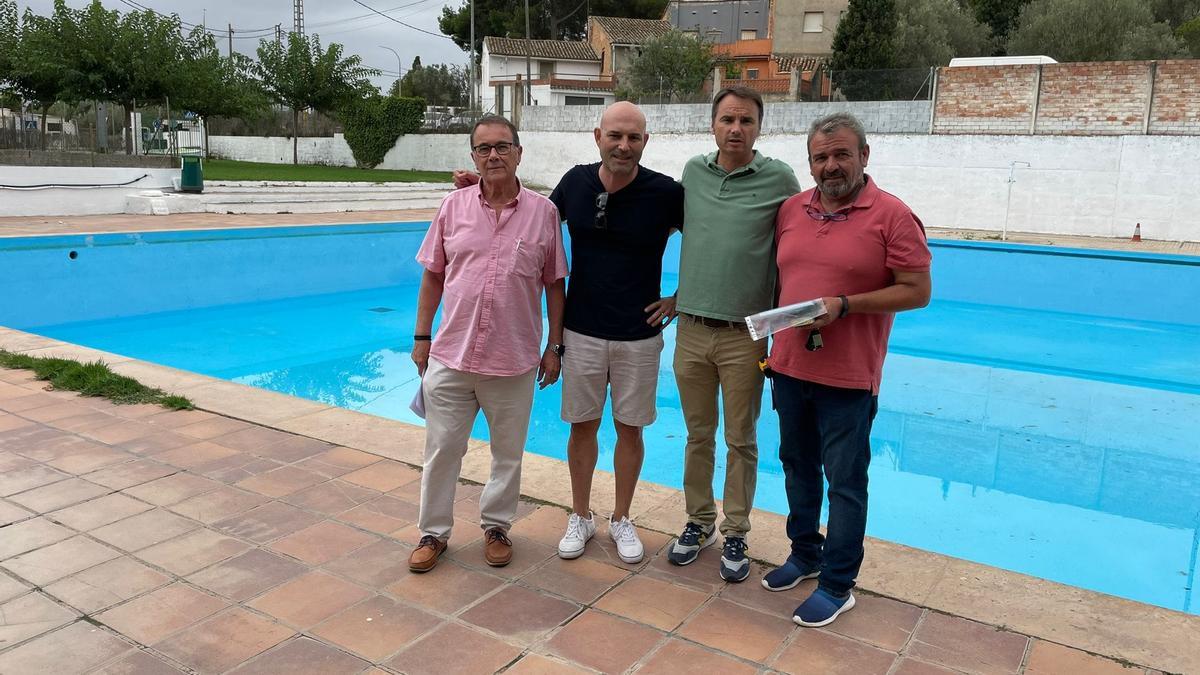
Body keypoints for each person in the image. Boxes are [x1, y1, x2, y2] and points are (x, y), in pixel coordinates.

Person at [761, 112, 931, 626]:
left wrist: (846, 304)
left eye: (840, 154)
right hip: (789, 367)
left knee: (845, 482)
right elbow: (782, 278)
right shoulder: (791, 209)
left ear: (864, 155)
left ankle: (838, 583)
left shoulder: (893, 215)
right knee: (796, 466)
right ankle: (805, 553)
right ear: (809, 162)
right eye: (820, 157)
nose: (830, 165)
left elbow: (917, 291)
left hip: (849, 378)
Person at [408, 115, 568, 573]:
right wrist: (422, 337)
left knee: (507, 452)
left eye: (502, 146)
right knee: (441, 449)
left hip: (513, 358)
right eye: (483, 148)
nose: (493, 155)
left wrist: (554, 346)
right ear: (473, 156)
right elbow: (433, 274)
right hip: (452, 354)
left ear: (519, 152)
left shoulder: (544, 213)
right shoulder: (452, 207)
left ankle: (496, 526)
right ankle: (432, 533)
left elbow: (555, 283)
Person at [667, 86, 802, 582]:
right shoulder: (693, 174)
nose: (736, 129)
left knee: (740, 438)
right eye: (727, 119)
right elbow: (702, 241)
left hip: (746, 335)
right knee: (698, 434)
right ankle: (698, 522)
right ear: (713, 125)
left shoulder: (779, 179)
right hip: (692, 329)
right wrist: (676, 295)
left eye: (746, 120)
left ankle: (737, 529)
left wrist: (787, 322)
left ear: (759, 128)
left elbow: (802, 240)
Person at [548, 102, 684, 564]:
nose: (624, 145)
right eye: (616, 136)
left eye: (634, 137)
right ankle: (581, 515)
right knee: (582, 426)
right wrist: (478, 191)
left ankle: (622, 518)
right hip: (582, 330)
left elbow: (712, 238)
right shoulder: (575, 183)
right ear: (598, 136)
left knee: (631, 429)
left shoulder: (665, 193)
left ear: (646, 142)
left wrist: (680, 297)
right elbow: (531, 223)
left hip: (639, 335)